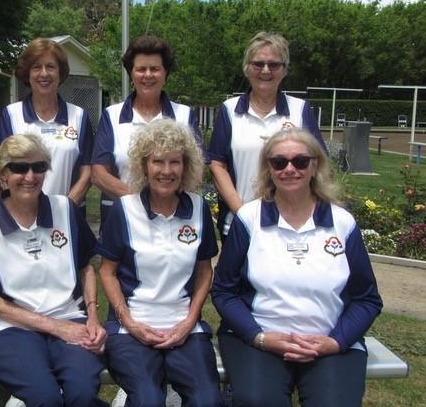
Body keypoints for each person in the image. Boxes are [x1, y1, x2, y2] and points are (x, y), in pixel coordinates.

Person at [212, 128, 382, 407]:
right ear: (268, 168)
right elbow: (224, 291)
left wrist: (336, 342)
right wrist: (260, 337)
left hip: (328, 342)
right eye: (279, 162)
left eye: (300, 161)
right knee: (258, 401)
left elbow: (367, 299)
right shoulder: (248, 219)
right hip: (260, 340)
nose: (289, 169)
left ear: (315, 165)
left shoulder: (342, 223)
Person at [0, 134, 108, 406]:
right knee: (45, 398)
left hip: (70, 317)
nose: (30, 176)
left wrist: (92, 317)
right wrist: (57, 328)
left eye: (39, 167)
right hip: (12, 327)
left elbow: (86, 268)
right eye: (19, 168)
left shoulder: (65, 209)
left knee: (82, 393)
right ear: (2, 176)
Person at [98, 119, 223, 406]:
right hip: (132, 327)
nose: (166, 171)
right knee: (148, 399)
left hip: (184, 328)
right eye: (158, 162)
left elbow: (205, 271)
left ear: (186, 166)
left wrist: (190, 320)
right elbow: (108, 272)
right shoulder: (125, 210)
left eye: (174, 162)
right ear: (144, 166)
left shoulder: (198, 208)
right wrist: (128, 321)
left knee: (207, 400)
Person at [208, 31, 325, 239]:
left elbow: (320, 163)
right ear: (247, 68)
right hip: (239, 223)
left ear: (284, 70)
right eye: (258, 64)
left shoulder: (300, 110)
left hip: (291, 225)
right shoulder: (229, 110)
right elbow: (217, 165)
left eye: (274, 64)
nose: (265, 70)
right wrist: (243, 213)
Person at [92, 35, 206, 226]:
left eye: (154, 69)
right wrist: (140, 203)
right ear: (131, 74)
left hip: (174, 220)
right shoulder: (111, 116)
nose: (147, 75)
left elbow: (198, 171)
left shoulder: (185, 115)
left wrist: (162, 203)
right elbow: (98, 173)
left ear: (165, 73)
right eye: (141, 69)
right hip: (122, 219)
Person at [0, 38, 93, 210]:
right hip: (23, 216)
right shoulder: (11, 115)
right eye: (36, 67)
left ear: (60, 73)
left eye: (51, 67)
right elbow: (3, 171)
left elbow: (87, 172)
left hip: (67, 215)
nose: (44, 73)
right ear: (28, 73)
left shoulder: (79, 116)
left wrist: (64, 209)